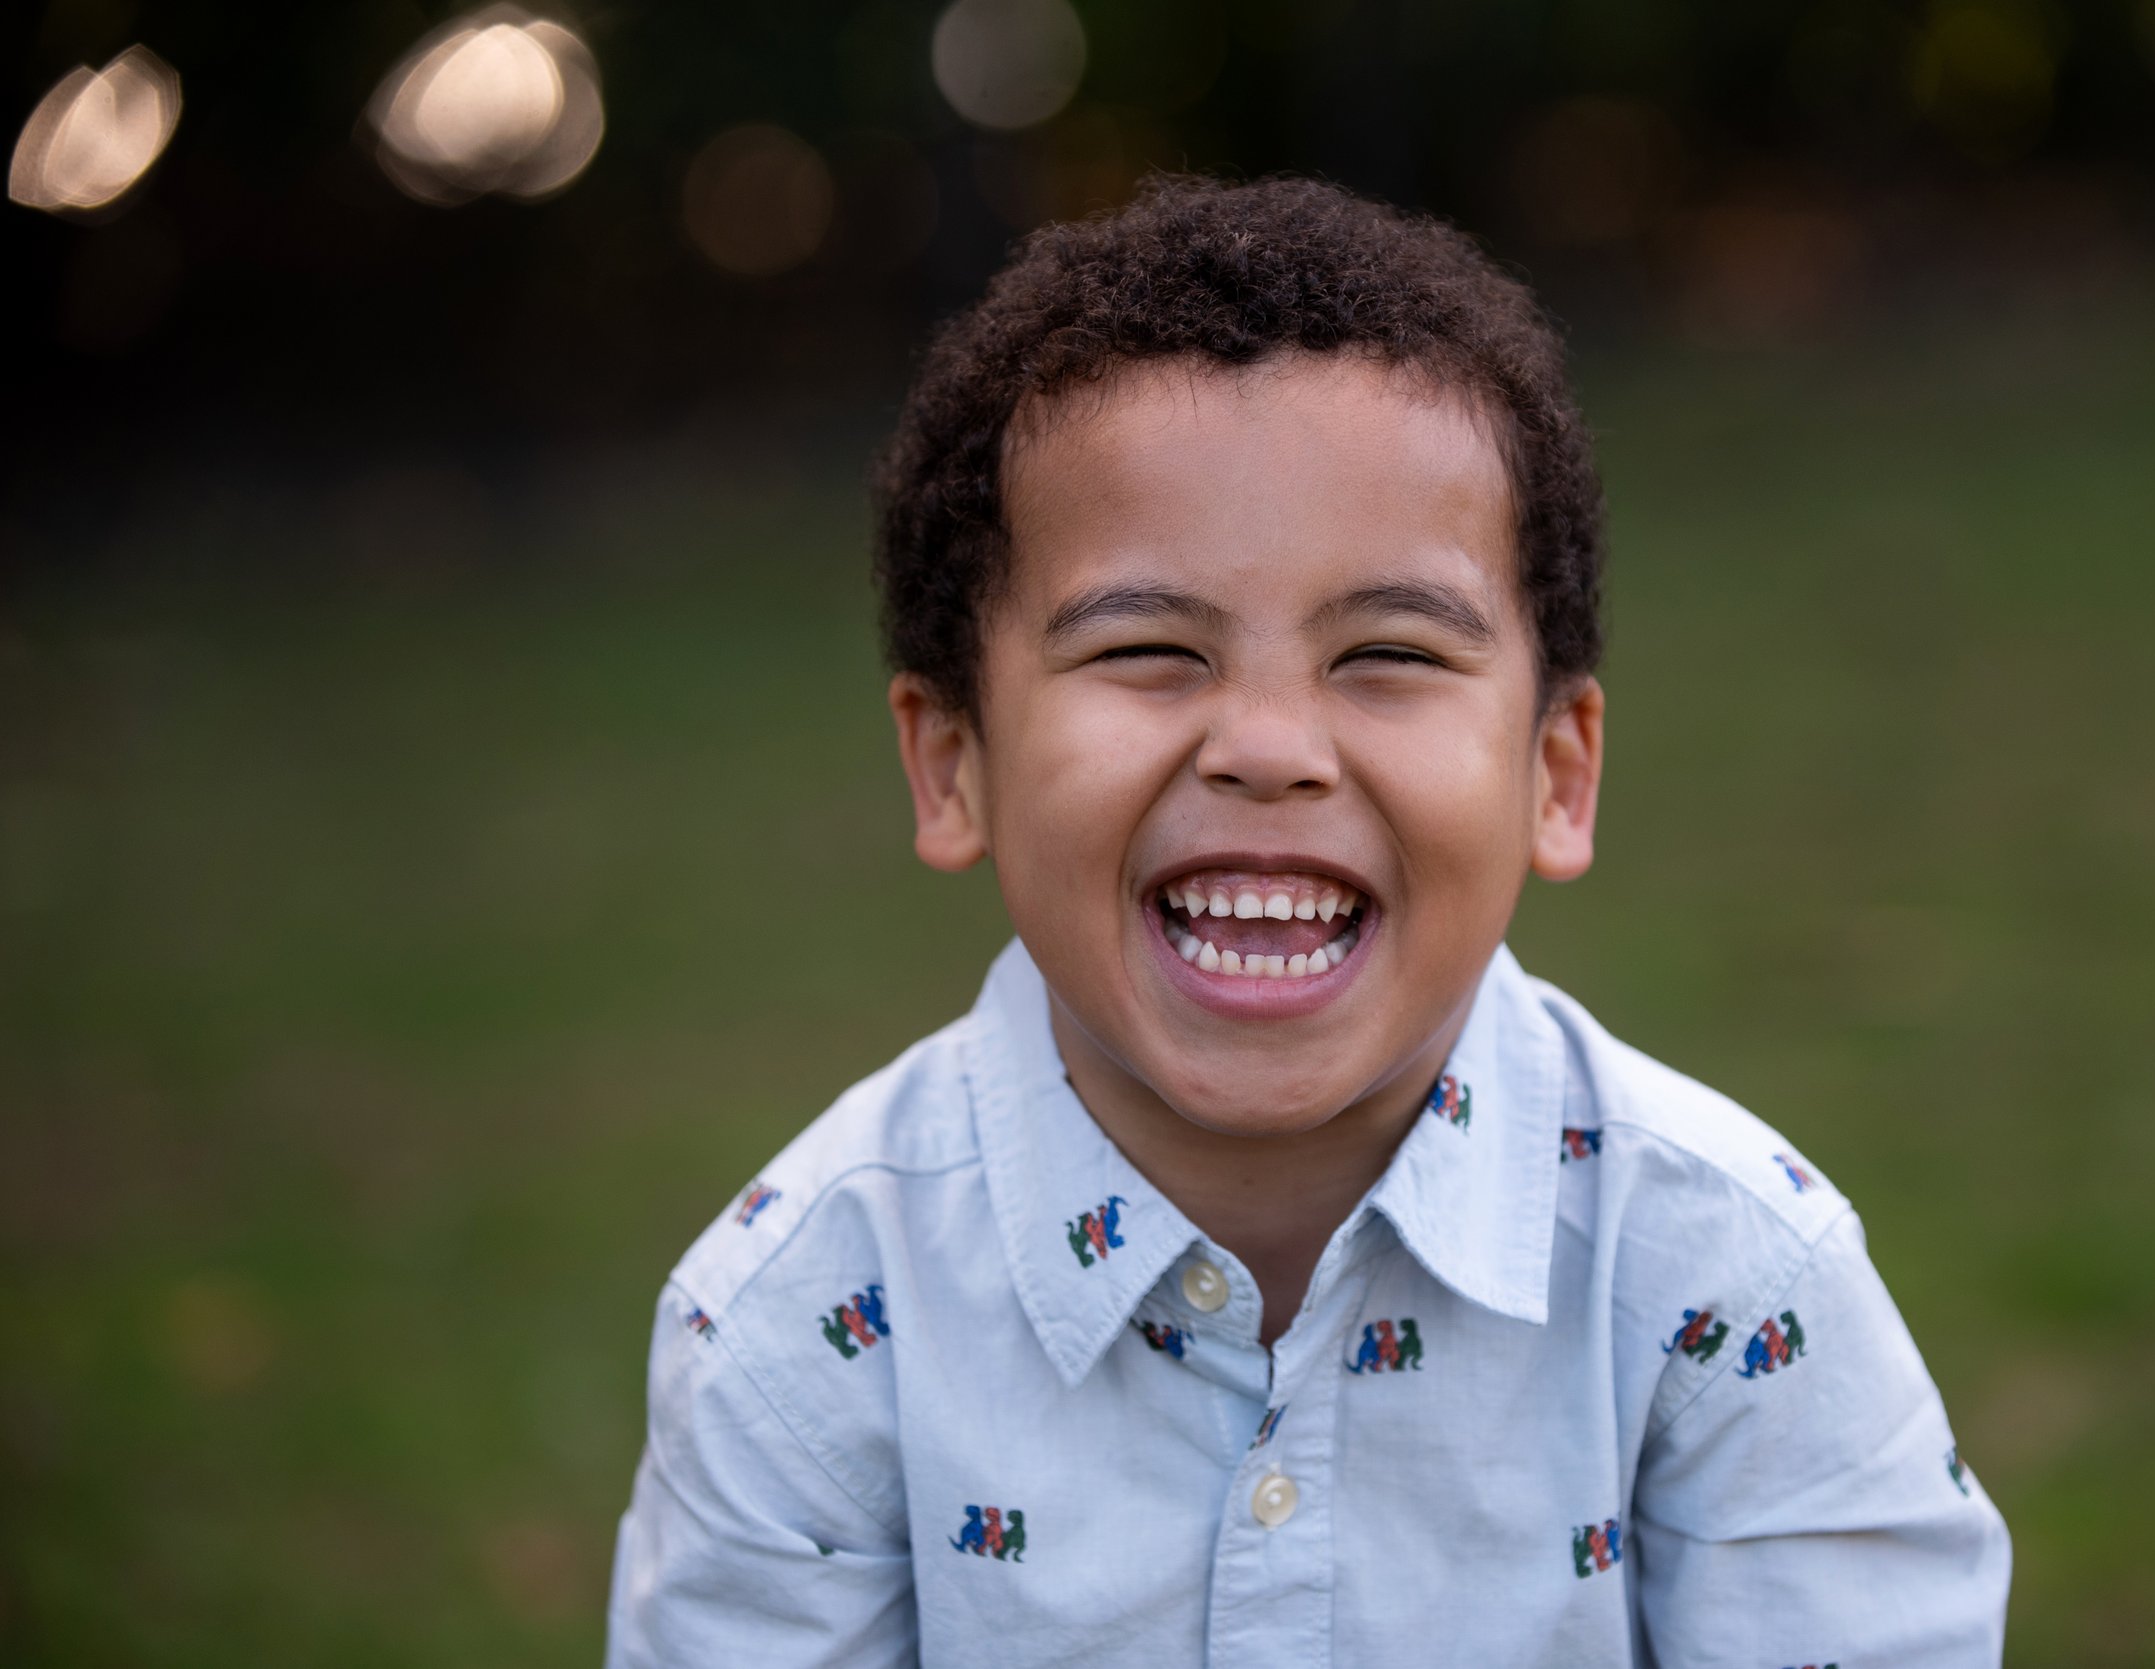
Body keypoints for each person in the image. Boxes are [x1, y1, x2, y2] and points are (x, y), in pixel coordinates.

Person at [604, 175, 2010, 1666]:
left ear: (1555, 771)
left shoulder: (1730, 1288)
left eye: (1389, 651)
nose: (1268, 745)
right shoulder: (801, 1330)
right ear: (954, 762)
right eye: (1148, 648)